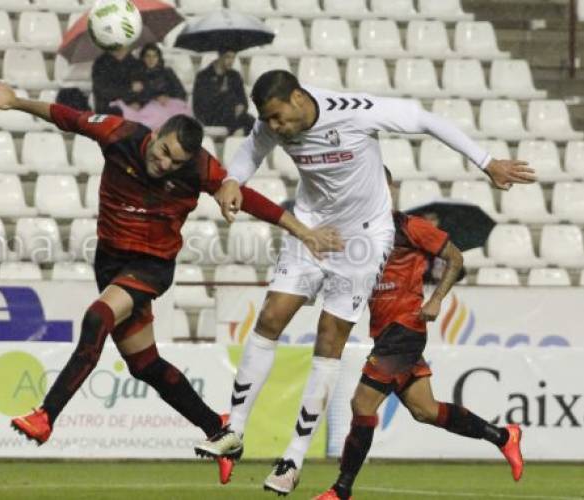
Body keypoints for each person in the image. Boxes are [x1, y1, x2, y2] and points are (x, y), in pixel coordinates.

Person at [194, 70, 536, 495]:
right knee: (270, 317)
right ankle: (235, 430)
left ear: (299, 98)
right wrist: (233, 180)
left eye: (279, 117)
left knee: (330, 340)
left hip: (364, 239)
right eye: (269, 120)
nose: (275, 127)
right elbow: (251, 149)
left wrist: (487, 162)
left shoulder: (353, 111)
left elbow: (424, 119)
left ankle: (293, 460)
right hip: (312, 227)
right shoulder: (271, 124)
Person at [0, 82, 340, 483]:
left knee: (98, 317)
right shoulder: (118, 133)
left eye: (176, 161)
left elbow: (249, 198)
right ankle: (218, 428)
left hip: (151, 266)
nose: (166, 164)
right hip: (110, 263)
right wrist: (15, 101)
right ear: (156, 134)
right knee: (145, 365)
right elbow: (67, 117)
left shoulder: (198, 168)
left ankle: (46, 415)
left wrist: (303, 232)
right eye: (165, 151)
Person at [313, 168, 523, 499]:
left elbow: (455, 258)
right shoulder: (359, 235)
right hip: (384, 332)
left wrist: (436, 299)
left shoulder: (410, 227)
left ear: (390, 188)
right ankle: (503, 436)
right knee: (425, 410)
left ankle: (341, 490)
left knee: (362, 403)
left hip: (405, 329)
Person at [113, 44, 192, 129]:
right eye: (148, 56)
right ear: (143, 58)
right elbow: (129, 93)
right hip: (146, 108)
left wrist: (167, 97)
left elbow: (181, 92)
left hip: (168, 106)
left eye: (154, 56)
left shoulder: (167, 72)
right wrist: (136, 101)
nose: (151, 59)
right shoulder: (136, 73)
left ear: (159, 58)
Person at [193, 49, 255, 136]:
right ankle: (237, 131)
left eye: (233, 58)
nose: (231, 61)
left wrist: (241, 106)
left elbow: (243, 100)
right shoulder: (204, 76)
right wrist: (221, 94)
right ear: (220, 56)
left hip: (233, 116)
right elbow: (199, 106)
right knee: (229, 102)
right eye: (228, 57)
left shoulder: (235, 76)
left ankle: (238, 131)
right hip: (211, 117)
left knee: (253, 122)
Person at [91, 46, 144, 115]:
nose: (120, 51)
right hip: (108, 109)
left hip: (132, 107)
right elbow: (105, 90)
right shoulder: (100, 63)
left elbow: (141, 84)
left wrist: (139, 102)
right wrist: (130, 88)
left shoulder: (132, 61)